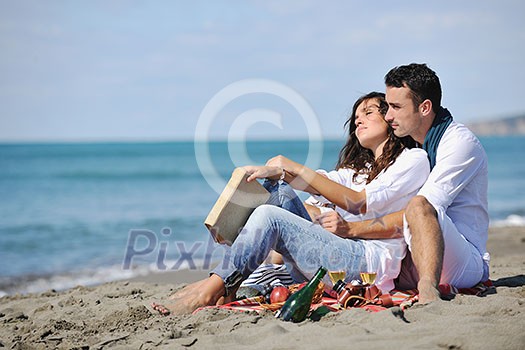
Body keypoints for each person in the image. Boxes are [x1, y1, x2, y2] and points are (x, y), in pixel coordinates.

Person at [152, 92, 430, 315]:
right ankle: (231, 266)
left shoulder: (411, 161)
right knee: (279, 192)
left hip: (366, 266)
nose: (358, 120)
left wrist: (290, 166)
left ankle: (214, 288)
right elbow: (318, 184)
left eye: (368, 113)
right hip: (335, 255)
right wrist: (275, 174)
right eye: (356, 116)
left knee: (270, 216)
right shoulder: (356, 171)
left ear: (391, 118)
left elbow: (357, 203)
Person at [319, 64, 489, 304]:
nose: (388, 116)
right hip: (411, 255)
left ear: (425, 107)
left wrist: (351, 229)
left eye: (397, 107)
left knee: (419, 205)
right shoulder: (413, 146)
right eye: (388, 107)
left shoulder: (459, 143)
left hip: (461, 261)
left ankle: (428, 292)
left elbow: (422, 210)